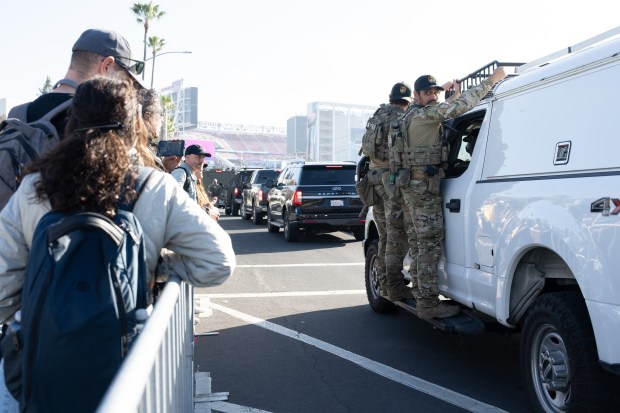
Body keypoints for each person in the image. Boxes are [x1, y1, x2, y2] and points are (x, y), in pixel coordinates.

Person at [0, 77, 235, 410]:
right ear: (134, 125)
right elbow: (219, 261)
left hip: (38, 368)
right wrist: (158, 267)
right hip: (124, 368)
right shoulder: (155, 185)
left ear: (72, 123)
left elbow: (2, 287)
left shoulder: (34, 186)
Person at [396, 68, 506, 319]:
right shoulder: (425, 115)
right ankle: (427, 303)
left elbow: (442, 110)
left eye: (435, 92)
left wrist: (447, 94)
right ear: (417, 94)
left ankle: (421, 292)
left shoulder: (411, 114)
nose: (433, 96)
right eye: (427, 93)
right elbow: (458, 108)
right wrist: (492, 80)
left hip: (413, 188)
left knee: (418, 243)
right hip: (423, 190)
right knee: (429, 245)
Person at [8, 28, 146, 130]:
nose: (124, 86)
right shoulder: (102, 121)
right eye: (124, 78)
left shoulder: (18, 115)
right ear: (107, 65)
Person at [362, 82, 415, 302]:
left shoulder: (379, 114)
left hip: (375, 179)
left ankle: (384, 284)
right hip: (390, 183)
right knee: (395, 238)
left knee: (384, 236)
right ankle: (394, 287)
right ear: (407, 101)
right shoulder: (402, 117)